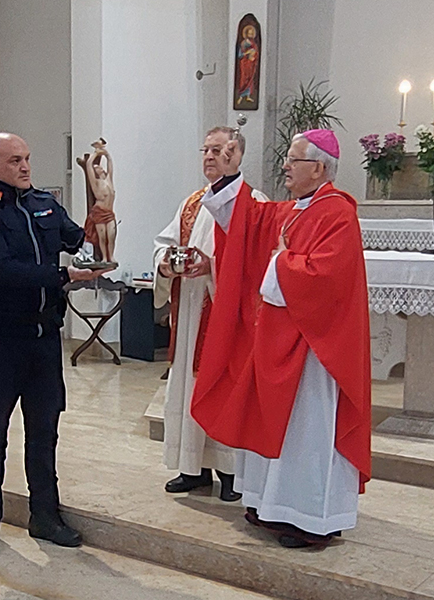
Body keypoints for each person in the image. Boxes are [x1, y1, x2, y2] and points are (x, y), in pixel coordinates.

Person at [190, 129, 371, 548]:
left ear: (319, 168)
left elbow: (326, 277)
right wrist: (228, 174)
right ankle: (268, 504)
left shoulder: (337, 213)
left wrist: (279, 262)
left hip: (314, 347)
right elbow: (246, 222)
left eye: (294, 159)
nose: (285, 166)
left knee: (306, 430)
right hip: (277, 338)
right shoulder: (294, 209)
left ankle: (310, 519)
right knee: (273, 423)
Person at [0, 132, 107, 557]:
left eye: (26, 158)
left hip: (44, 340)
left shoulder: (44, 204)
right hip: (1, 339)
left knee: (44, 434)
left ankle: (44, 517)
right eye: (14, 160)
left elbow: (76, 239)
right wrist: (63, 276)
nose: (25, 166)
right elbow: (2, 269)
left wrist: (98, 224)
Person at [153, 126, 256, 502]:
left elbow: (255, 262)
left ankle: (230, 472)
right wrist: (167, 264)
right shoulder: (192, 203)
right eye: (206, 150)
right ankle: (192, 468)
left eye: (220, 150)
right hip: (190, 314)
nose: (210, 156)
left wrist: (211, 267)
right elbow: (164, 243)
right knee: (187, 387)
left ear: (238, 155)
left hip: (224, 318)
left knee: (222, 390)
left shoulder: (251, 202)